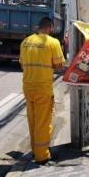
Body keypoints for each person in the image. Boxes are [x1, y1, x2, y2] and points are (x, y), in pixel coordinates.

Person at [20, 17, 65, 165]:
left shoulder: (25, 42)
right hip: (43, 88)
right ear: (50, 28)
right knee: (43, 123)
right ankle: (42, 156)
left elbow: (22, 64)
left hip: (28, 87)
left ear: (39, 27)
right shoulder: (53, 42)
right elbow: (59, 66)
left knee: (32, 121)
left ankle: (35, 150)